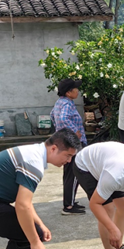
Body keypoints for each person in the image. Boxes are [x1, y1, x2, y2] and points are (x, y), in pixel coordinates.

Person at [50, 78, 88, 215]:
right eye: (75, 89)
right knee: (74, 172)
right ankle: (69, 206)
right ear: (68, 92)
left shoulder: (60, 102)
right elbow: (63, 118)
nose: (78, 91)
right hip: (72, 143)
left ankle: (70, 201)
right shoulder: (67, 104)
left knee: (69, 172)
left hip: (65, 141)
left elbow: (53, 116)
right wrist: (74, 132)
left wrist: (60, 131)